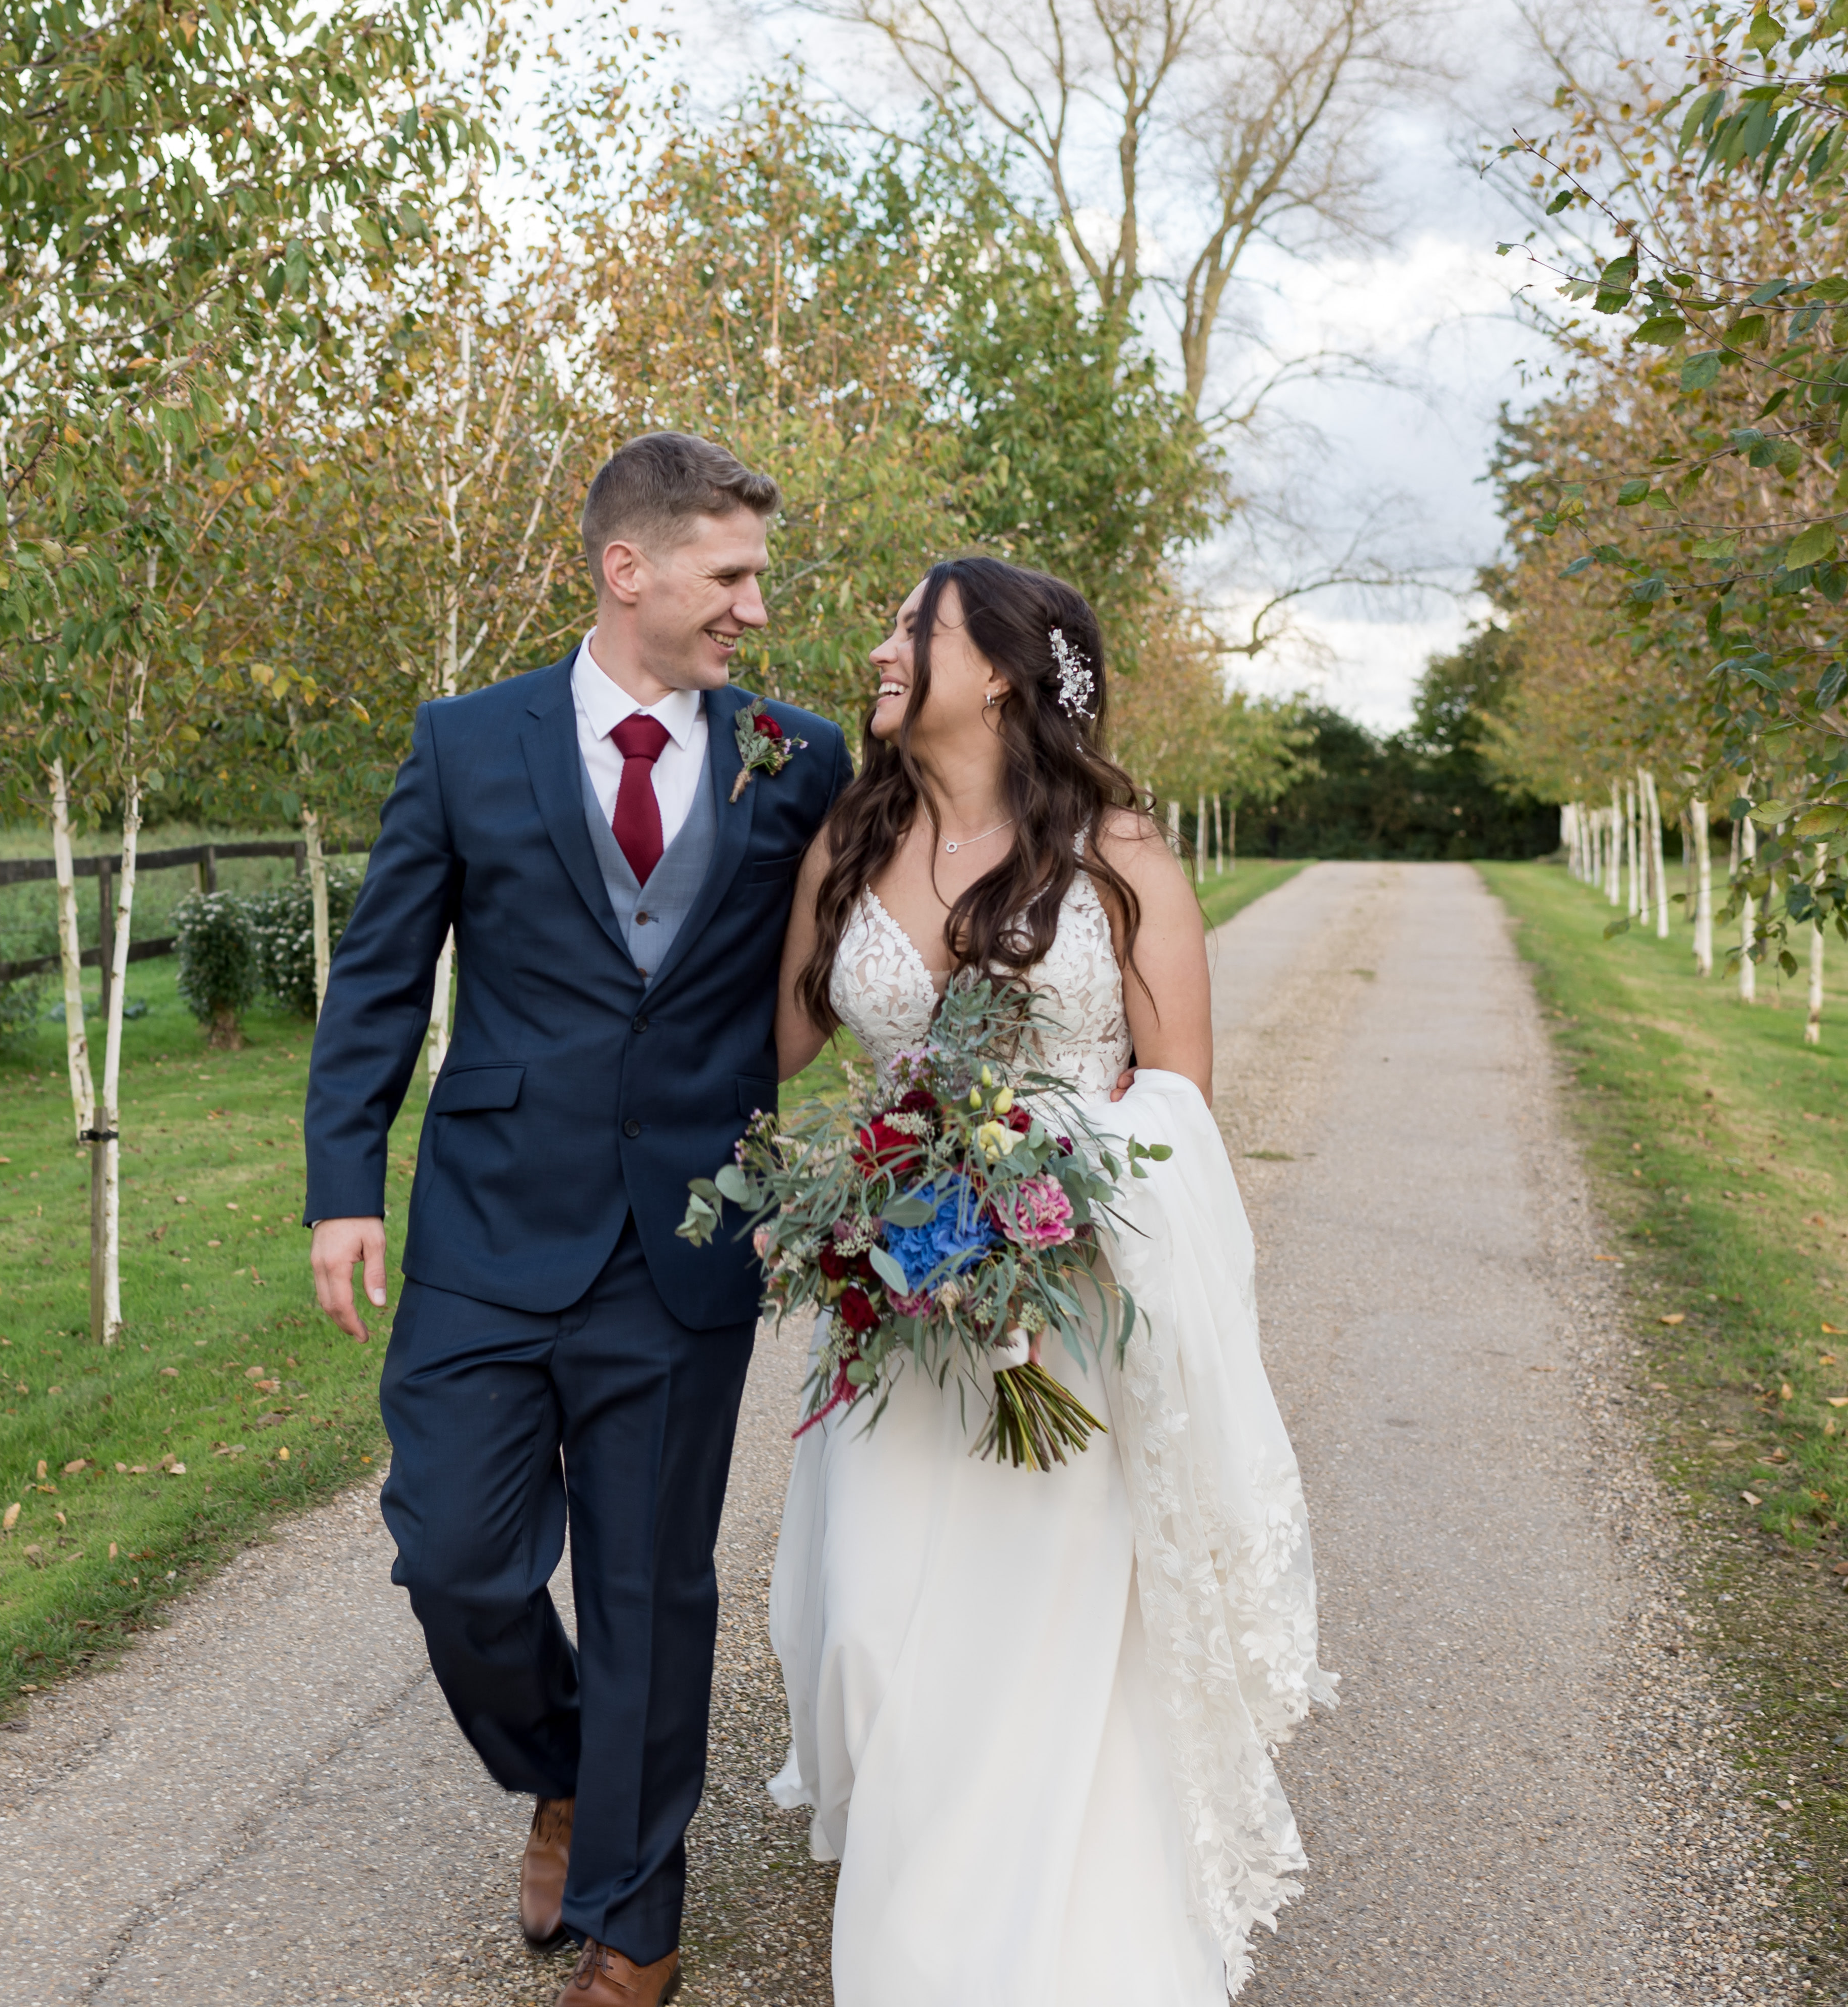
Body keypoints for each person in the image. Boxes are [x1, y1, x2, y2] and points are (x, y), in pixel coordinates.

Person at [303, 432, 853, 2007]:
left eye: (757, 576)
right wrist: (344, 1183)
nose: (755, 607)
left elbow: (880, 922)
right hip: (489, 1224)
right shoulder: (466, 742)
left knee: (648, 1592)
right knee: (456, 1560)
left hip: (687, 1236)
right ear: (631, 569)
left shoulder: (797, 756)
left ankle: (636, 1922)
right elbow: (381, 975)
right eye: (730, 574)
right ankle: (557, 1766)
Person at [764, 555, 1333, 2003]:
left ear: (1003, 675)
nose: (883, 647)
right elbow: (774, 1049)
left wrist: (1031, 1168)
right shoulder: (851, 835)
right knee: (868, 1631)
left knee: (1030, 1640)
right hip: (896, 1305)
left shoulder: (1115, 851)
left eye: (916, 626)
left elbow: (1182, 1099)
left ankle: (972, 1951)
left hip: (1063, 1320)